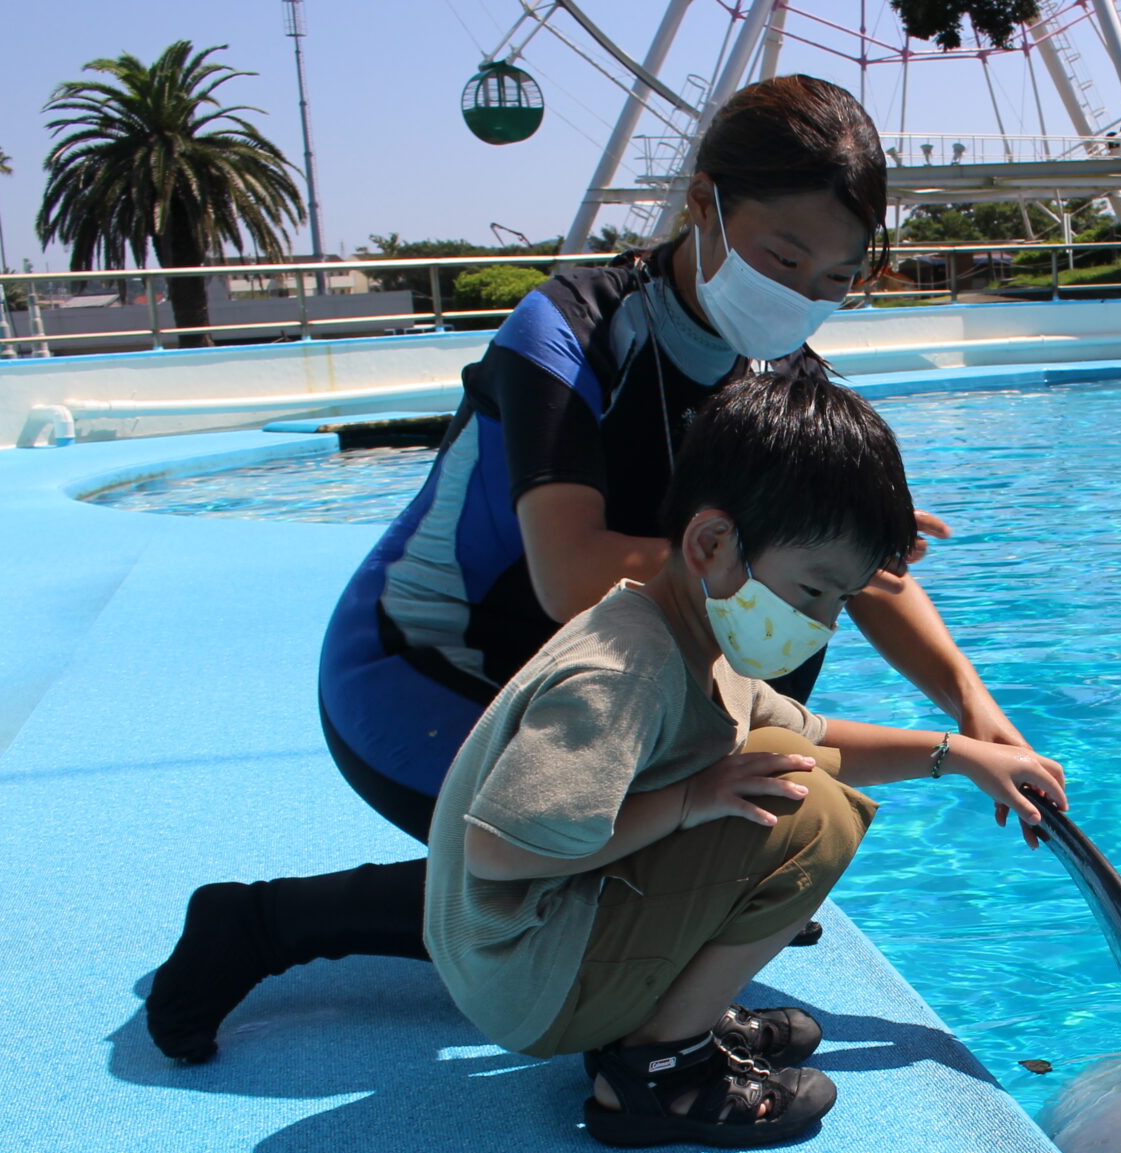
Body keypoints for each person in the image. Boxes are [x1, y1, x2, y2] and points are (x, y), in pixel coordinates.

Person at [147, 74, 1036, 1064]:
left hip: (602, 690)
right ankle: (260, 923)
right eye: (784, 259)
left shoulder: (781, 377)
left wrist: (972, 708)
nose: (801, 298)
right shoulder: (569, 330)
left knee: (751, 710)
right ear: (702, 204)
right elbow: (569, 573)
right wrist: (777, 556)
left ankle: (687, 894)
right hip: (421, 673)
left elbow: (849, 570)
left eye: (833, 281)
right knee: (583, 839)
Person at [430, 371, 1065, 1147]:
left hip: (544, 943)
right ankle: (661, 1067)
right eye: (813, 591)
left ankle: (668, 1011)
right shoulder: (624, 670)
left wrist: (959, 753)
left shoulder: (692, 630)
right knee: (812, 811)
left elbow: (820, 736)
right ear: (711, 543)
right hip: (525, 979)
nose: (824, 624)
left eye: (841, 601)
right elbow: (496, 850)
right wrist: (689, 800)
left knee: (788, 756)